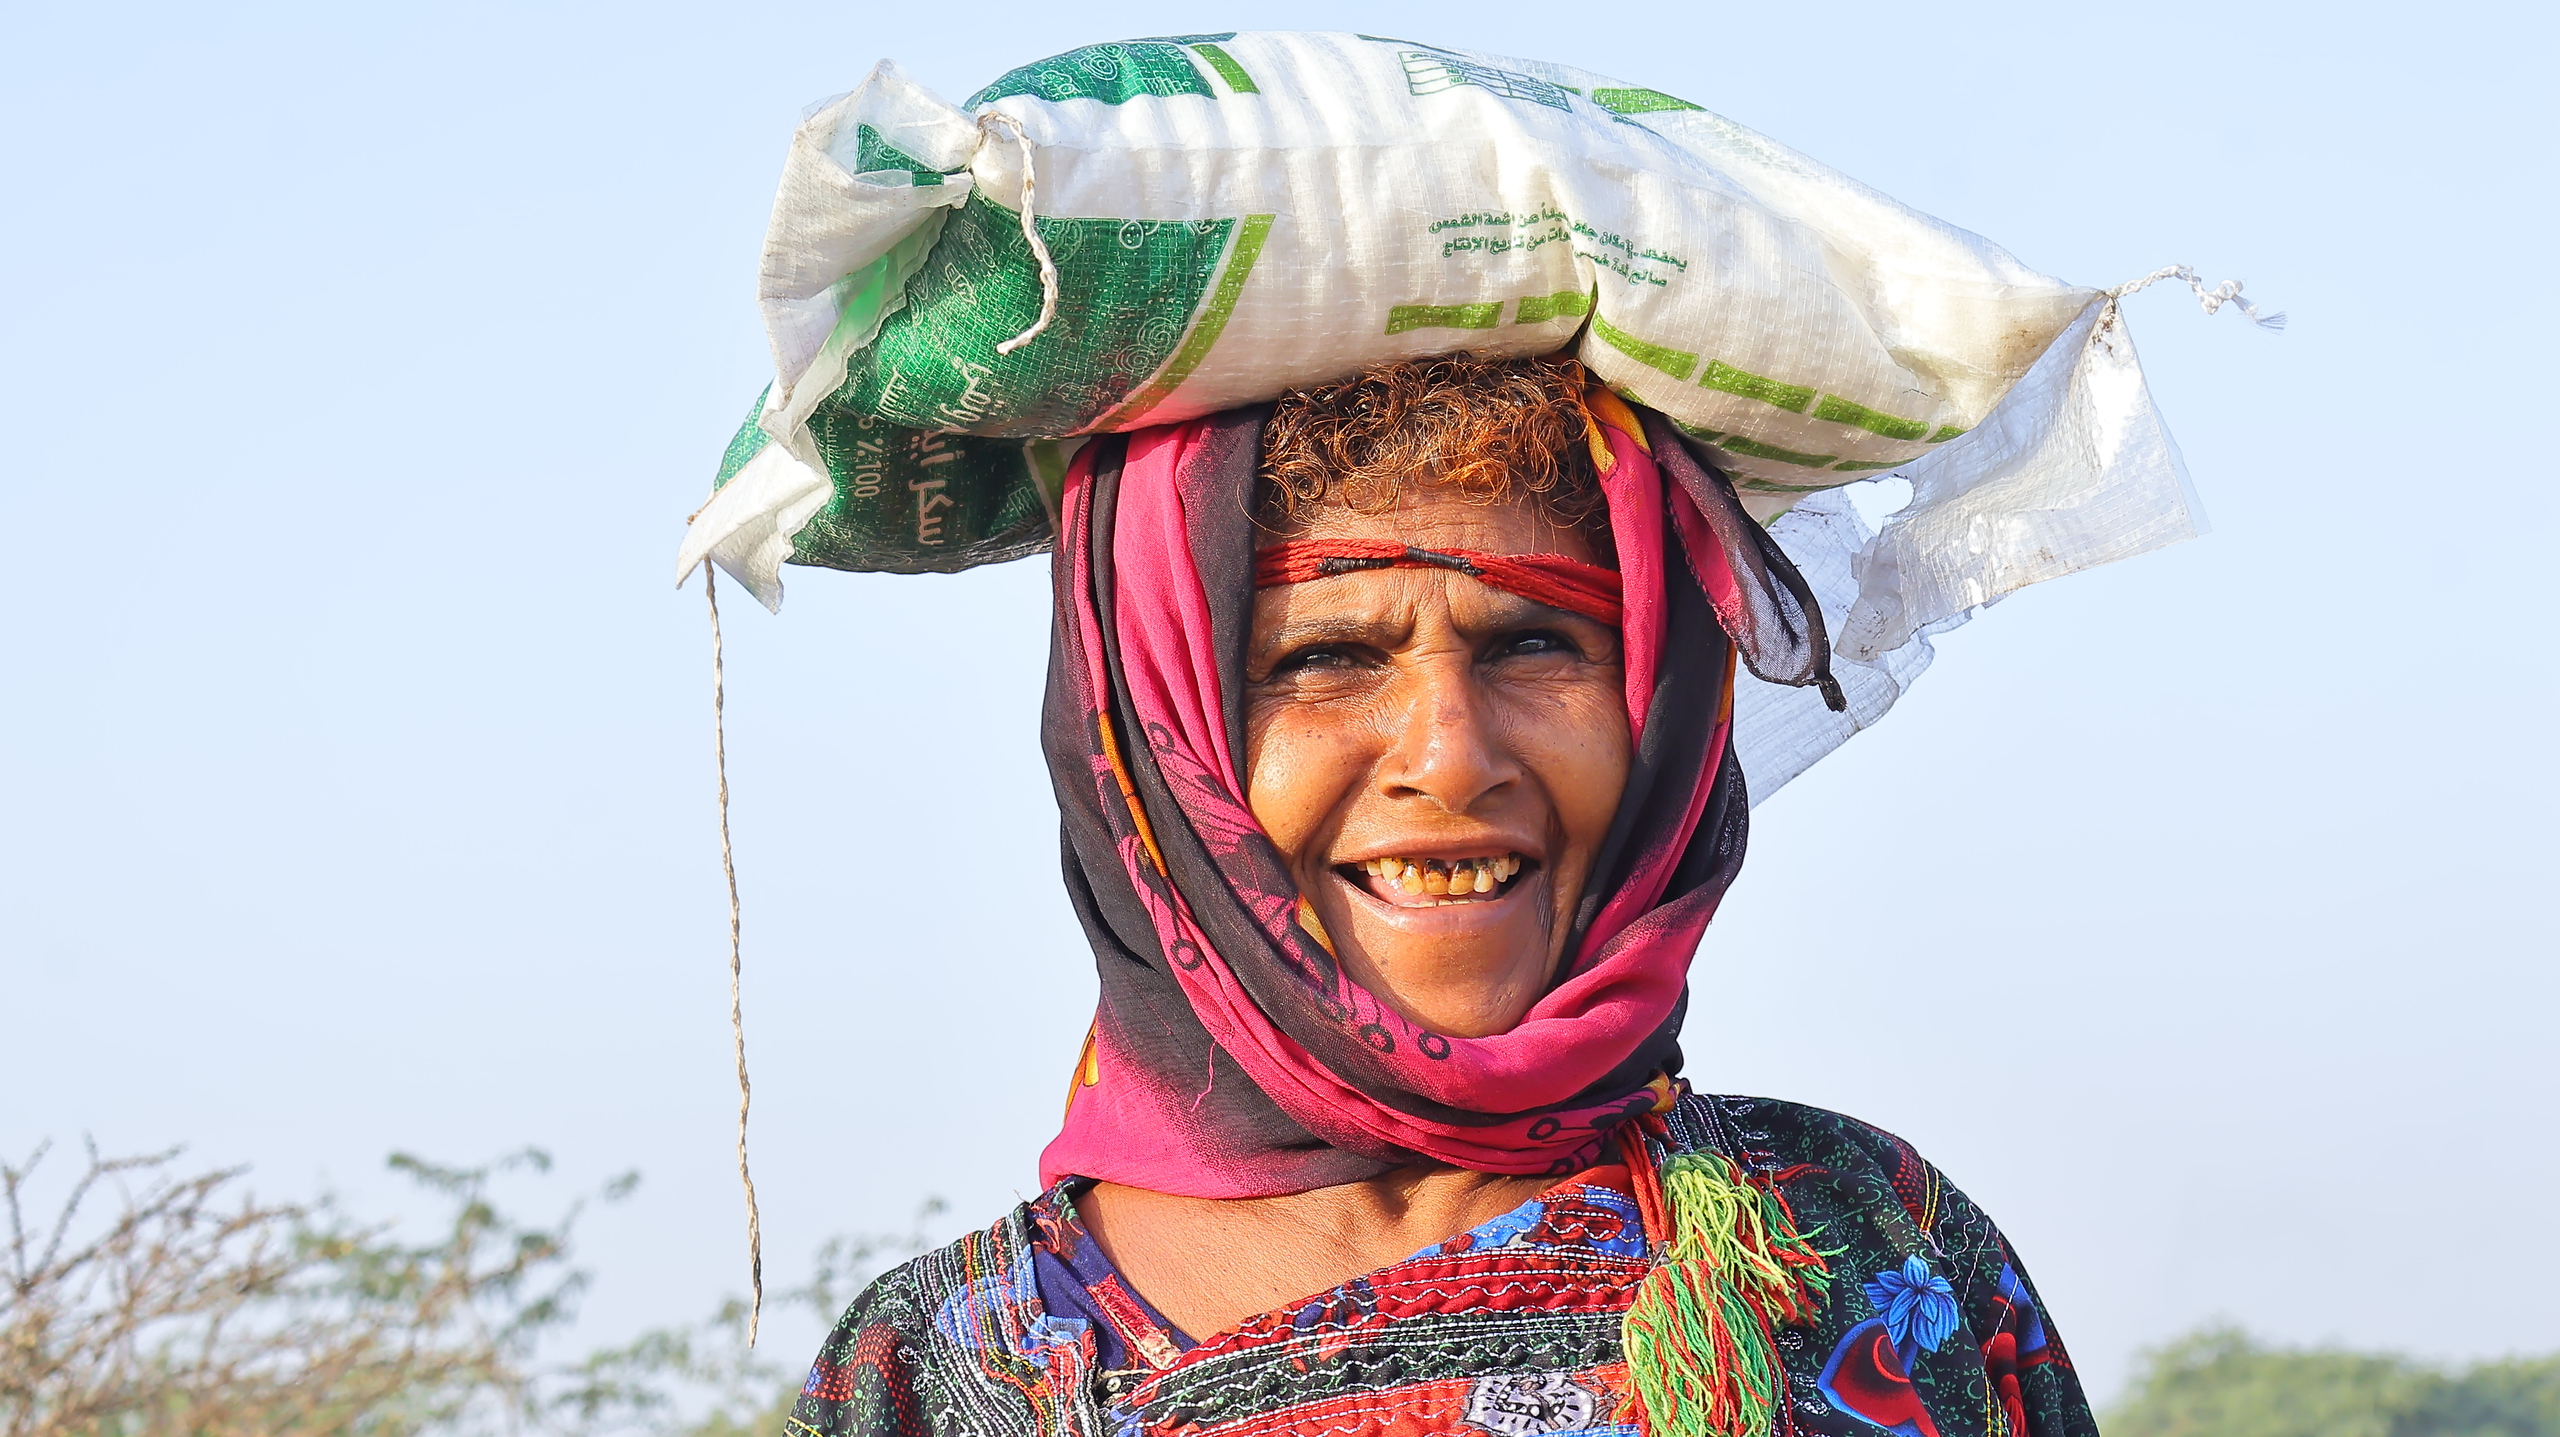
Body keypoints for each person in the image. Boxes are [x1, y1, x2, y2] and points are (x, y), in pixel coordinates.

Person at [787, 355, 2095, 1437]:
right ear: (1151, 744)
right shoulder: (930, 1382)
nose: (1451, 754)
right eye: (1329, 655)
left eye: (1536, 641)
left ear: (1663, 709)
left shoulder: (1866, 1240)